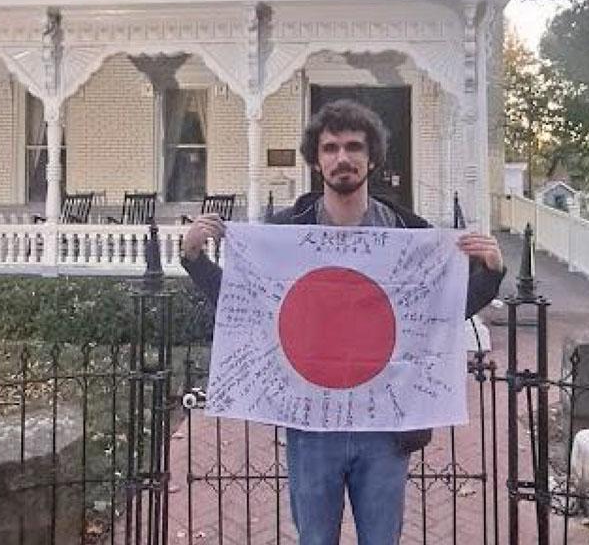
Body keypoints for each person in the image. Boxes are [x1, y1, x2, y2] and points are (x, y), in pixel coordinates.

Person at [181, 99, 505, 545]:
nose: (343, 158)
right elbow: (250, 307)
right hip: (312, 425)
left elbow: (439, 316)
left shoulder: (409, 235)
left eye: (354, 147)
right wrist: (194, 259)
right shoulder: (286, 232)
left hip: (385, 425)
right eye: (331, 148)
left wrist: (490, 273)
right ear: (316, 160)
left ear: (372, 158)